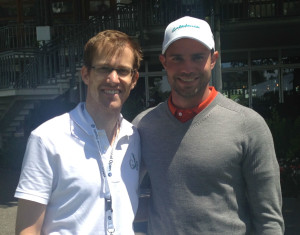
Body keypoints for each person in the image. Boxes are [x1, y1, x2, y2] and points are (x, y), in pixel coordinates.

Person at [133, 16, 284, 234]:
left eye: (197, 57)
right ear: (164, 61)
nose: (188, 68)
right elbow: (116, 193)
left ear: (213, 59)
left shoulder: (248, 125)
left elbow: (269, 219)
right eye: (177, 58)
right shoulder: (143, 126)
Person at [15, 30, 142, 235]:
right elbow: (28, 230)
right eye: (103, 68)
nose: (113, 78)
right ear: (86, 74)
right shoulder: (47, 139)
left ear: (134, 79)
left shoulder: (134, 137)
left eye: (122, 70)